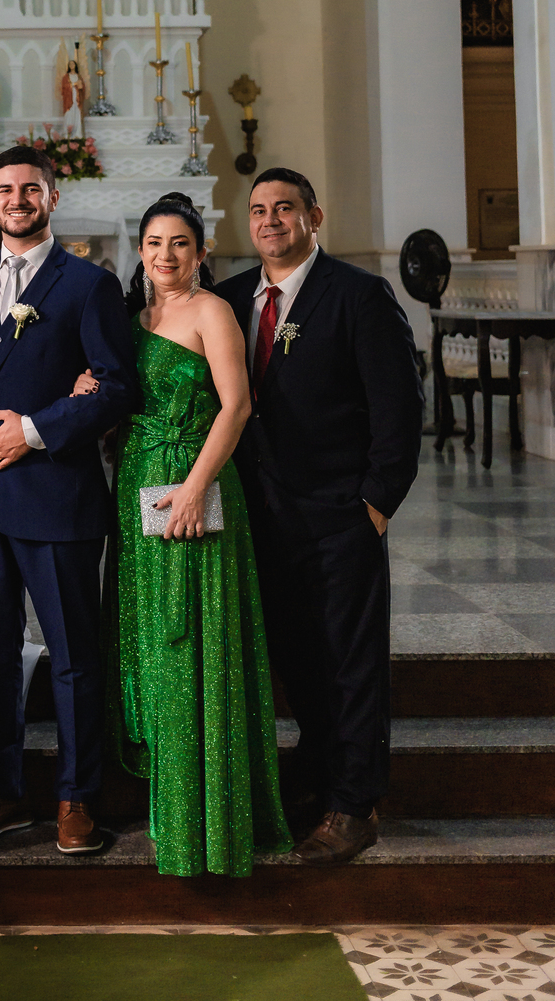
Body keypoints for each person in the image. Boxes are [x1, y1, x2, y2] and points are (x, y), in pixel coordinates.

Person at [215, 168, 424, 866]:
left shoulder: (360, 296)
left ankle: (355, 803)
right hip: (263, 519)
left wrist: (374, 507)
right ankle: (320, 778)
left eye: (285, 209)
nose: (270, 220)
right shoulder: (232, 297)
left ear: (314, 216)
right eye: (259, 210)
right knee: (297, 661)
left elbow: (399, 413)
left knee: (350, 663)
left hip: (340, 517)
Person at [0, 146, 139, 856]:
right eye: (4, 190)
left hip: (56, 499)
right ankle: (0, 792)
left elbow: (118, 387)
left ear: (52, 198)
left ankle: (76, 798)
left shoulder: (89, 284)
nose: (17, 199)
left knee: (71, 658)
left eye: (30, 189)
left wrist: (36, 429)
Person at [90, 194, 291, 877]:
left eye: (180, 244)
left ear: (200, 253)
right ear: (140, 250)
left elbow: (237, 405)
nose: (165, 256)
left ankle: (207, 824)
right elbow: (120, 398)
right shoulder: (132, 317)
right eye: (153, 243)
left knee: (194, 648)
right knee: (155, 648)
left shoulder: (212, 312)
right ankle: (169, 808)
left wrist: (197, 487)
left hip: (195, 491)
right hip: (137, 491)